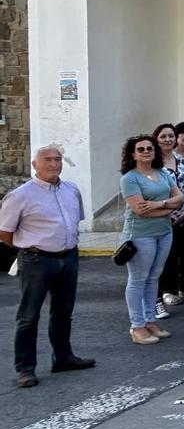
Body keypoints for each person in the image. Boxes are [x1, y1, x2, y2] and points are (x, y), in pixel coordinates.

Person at [1, 145, 93, 388]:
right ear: (35, 164)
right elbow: (5, 233)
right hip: (36, 261)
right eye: (47, 159)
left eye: (58, 159)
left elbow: (75, 221)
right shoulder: (20, 195)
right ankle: (25, 369)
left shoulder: (71, 190)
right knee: (28, 316)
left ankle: (63, 358)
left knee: (63, 312)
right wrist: (30, 246)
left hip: (69, 257)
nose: (54, 164)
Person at [119, 135, 183, 346]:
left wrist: (157, 205)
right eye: (141, 149)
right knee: (138, 279)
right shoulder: (130, 178)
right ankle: (137, 326)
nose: (146, 151)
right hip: (140, 234)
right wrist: (168, 209)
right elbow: (139, 210)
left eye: (149, 148)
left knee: (154, 277)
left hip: (164, 232)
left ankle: (150, 320)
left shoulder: (162, 172)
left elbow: (179, 198)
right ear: (133, 154)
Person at [154, 123, 184, 318]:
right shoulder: (154, 164)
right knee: (169, 255)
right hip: (164, 218)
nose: (168, 140)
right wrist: (167, 210)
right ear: (156, 139)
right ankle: (168, 290)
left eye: (171, 136)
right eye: (163, 136)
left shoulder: (182, 160)